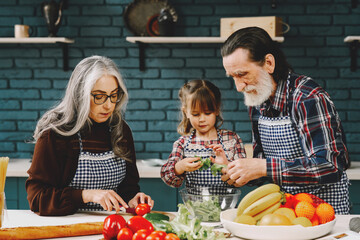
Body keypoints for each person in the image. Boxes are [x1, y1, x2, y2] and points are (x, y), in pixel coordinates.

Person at [220, 27, 350, 214]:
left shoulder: (307, 97)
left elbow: (330, 166)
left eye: (242, 74)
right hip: (284, 210)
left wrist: (263, 167)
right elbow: (263, 165)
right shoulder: (258, 99)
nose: (239, 87)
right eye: (233, 77)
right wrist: (240, 171)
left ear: (269, 63)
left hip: (324, 212)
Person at [26, 56, 154, 216]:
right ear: (80, 94)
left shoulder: (120, 130)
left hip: (110, 224)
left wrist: (133, 199)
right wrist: (86, 195)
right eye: (99, 96)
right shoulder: (55, 134)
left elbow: (128, 189)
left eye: (113, 95)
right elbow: (37, 199)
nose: (108, 105)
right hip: (66, 226)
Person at [161, 79, 246, 193]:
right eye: (196, 114)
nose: (202, 119)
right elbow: (167, 177)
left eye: (207, 113)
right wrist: (180, 167)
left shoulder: (232, 139)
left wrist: (227, 165)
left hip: (226, 206)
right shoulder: (182, 143)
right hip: (195, 207)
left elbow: (243, 179)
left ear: (216, 110)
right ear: (186, 112)